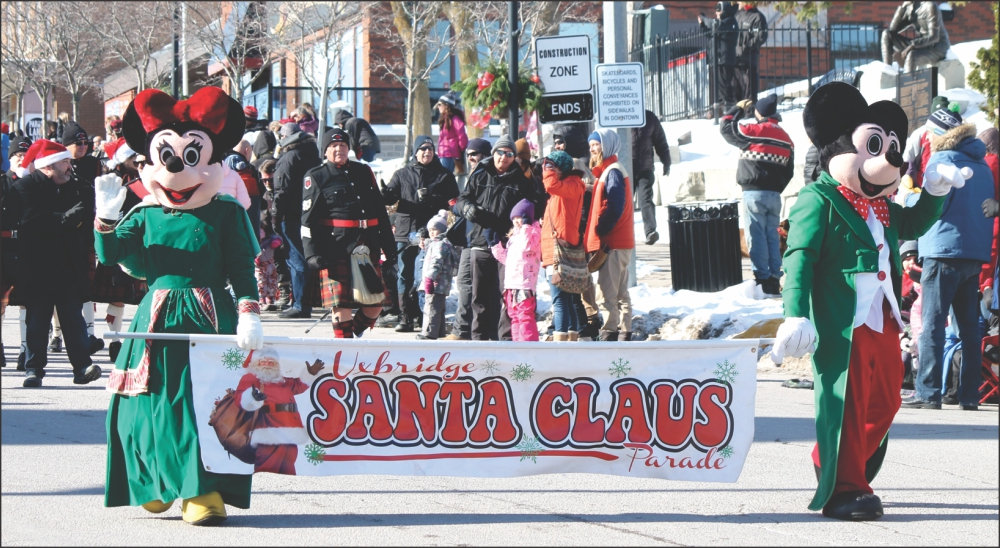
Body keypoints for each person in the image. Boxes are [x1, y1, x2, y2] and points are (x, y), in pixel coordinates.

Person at [772, 81, 966, 521]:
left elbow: (914, 220)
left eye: (892, 147)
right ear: (838, 147)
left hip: (881, 316)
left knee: (887, 399)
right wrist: (794, 314)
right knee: (846, 399)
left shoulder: (882, 207)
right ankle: (846, 487)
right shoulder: (817, 199)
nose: (889, 158)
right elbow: (799, 257)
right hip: (842, 321)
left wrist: (934, 190)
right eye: (875, 145)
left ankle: (837, 458)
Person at [95, 87, 262, 525]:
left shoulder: (226, 212)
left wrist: (249, 310)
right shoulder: (146, 214)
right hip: (157, 315)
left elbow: (243, 268)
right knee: (147, 403)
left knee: (207, 403)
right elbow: (110, 256)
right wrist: (105, 222)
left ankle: (202, 489)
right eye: (166, 156)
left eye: (191, 156)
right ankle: (154, 479)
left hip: (211, 315)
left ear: (211, 160)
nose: (177, 168)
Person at [904, 106, 993, 411]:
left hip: (942, 252)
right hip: (973, 254)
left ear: (939, 133)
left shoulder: (941, 161)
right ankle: (969, 395)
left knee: (933, 324)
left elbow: (931, 207)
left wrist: (909, 199)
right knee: (969, 329)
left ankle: (928, 392)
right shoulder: (982, 165)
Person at [9, 140, 102, 388]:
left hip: (70, 263)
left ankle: (82, 367)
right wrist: (65, 219)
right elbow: (30, 222)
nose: (70, 166)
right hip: (36, 265)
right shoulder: (24, 188)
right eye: (64, 162)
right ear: (48, 166)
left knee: (73, 318)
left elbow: (87, 216)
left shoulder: (78, 186)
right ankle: (34, 370)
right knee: (38, 320)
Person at [300, 127, 396, 338]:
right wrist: (311, 255)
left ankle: (349, 336)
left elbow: (380, 212)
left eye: (342, 145)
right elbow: (308, 221)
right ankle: (344, 350)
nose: (338, 149)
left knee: (376, 305)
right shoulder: (316, 176)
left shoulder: (363, 172)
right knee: (341, 307)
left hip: (366, 246)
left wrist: (390, 249)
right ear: (325, 151)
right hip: (335, 249)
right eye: (333, 146)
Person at [456, 135, 534, 340]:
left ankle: (505, 340)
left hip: (507, 245)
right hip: (480, 242)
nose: (504, 158)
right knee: (479, 297)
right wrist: (467, 208)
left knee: (506, 294)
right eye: (501, 153)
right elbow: (462, 200)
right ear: (494, 154)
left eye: (509, 154)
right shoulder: (480, 173)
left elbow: (532, 205)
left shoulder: (520, 180)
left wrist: (521, 224)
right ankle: (479, 339)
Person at [381, 135, 460, 333]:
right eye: (423, 149)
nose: (427, 152)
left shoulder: (443, 175)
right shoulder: (402, 174)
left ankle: (424, 316)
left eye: (430, 149)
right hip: (405, 231)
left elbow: (454, 202)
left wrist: (433, 199)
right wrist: (384, 193)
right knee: (404, 275)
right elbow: (390, 199)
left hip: (431, 231)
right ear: (415, 152)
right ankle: (405, 316)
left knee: (426, 275)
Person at [720, 94, 794, 297]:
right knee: (772, 235)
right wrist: (777, 187)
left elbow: (726, 127)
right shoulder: (786, 139)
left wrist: (737, 109)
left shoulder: (752, 131)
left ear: (759, 112)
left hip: (753, 193)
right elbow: (789, 171)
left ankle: (762, 279)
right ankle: (774, 276)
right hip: (774, 195)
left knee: (756, 236)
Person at [89, 140, 148, 363]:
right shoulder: (114, 180)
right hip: (116, 240)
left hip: (139, 244)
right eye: (132, 156)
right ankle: (115, 341)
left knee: (142, 298)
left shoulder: (145, 178)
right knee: (118, 299)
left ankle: (141, 340)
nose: (136, 159)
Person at [235, 347, 322, 475]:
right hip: (268, 427)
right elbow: (240, 399)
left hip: (290, 429)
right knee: (267, 467)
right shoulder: (251, 378)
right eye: (263, 362)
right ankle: (264, 492)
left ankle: (288, 492)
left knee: (288, 464)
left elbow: (298, 386)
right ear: (256, 363)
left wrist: (309, 373)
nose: (268, 365)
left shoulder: (281, 380)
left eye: (272, 362)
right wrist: (252, 397)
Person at [585, 128, 636, 342]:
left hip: (612, 241)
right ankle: (625, 331)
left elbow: (615, 204)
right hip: (620, 240)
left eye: (597, 144)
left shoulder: (612, 171)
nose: (594, 149)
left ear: (608, 146)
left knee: (607, 292)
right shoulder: (612, 170)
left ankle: (609, 334)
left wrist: (601, 228)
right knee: (621, 291)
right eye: (591, 146)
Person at [443, 137, 493, 340]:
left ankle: (474, 329)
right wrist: (460, 206)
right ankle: (463, 329)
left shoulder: (485, 174)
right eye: (469, 154)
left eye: (475, 154)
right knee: (465, 282)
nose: (471, 158)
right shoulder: (471, 175)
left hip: (483, 238)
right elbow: (463, 202)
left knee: (478, 286)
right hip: (469, 237)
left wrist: (464, 206)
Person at [272, 122, 321, 319]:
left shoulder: (288, 157)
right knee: (305, 257)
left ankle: (300, 304)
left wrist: (276, 214)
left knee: (296, 259)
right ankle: (305, 302)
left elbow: (282, 189)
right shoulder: (312, 155)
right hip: (310, 213)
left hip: (291, 214)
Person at [540, 150, 586, 341]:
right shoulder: (568, 187)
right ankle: (571, 341)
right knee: (567, 301)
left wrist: (547, 169)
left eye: (551, 166)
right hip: (559, 249)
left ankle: (560, 347)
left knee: (559, 302)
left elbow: (550, 184)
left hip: (559, 252)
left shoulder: (569, 186)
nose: (546, 170)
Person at [492, 199, 542, 342]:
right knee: (513, 315)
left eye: (520, 217)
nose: (516, 221)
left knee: (524, 315)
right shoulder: (514, 237)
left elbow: (527, 247)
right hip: (511, 284)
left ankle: (529, 345)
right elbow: (508, 259)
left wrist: (526, 226)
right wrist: (495, 247)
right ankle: (517, 344)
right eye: (514, 218)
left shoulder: (533, 233)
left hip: (524, 283)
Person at [631, 109, 672, 245]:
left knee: (645, 199)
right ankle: (622, 233)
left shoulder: (649, 117)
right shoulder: (620, 115)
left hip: (645, 168)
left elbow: (660, 141)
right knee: (624, 202)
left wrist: (666, 161)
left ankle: (650, 232)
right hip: (625, 169)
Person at [418, 210, 459, 340]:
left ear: (442, 230)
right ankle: (439, 330)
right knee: (439, 308)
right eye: (430, 229)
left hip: (435, 282)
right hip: (442, 283)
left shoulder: (439, 244)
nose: (431, 232)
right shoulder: (441, 243)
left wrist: (430, 278)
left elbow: (436, 262)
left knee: (431, 307)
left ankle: (429, 332)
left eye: (435, 229)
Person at [881, 0, 951, 73]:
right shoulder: (910, 7)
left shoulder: (930, 6)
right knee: (886, 34)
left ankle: (908, 82)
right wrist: (902, 8)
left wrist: (913, 45)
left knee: (912, 56)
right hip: (921, 45)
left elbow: (934, 37)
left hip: (937, 47)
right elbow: (893, 29)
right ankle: (888, 71)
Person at [698, 2, 740, 116]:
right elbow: (710, 35)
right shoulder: (721, 24)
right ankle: (718, 109)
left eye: (718, 10)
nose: (716, 13)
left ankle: (728, 109)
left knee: (724, 86)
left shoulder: (729, 22)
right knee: (717, 88)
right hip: (716, 59)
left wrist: (705, 19)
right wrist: (702, 24)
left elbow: (715, 25)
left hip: (725, 59)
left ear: (724, 10)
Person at [734, 1, 768, 102]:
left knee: (749, 87)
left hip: (749, 58)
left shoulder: (757, 17)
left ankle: (749, 110)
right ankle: (739, 110)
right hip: (736, 58)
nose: (738, 2)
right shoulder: (737, 15)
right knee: (737, 87)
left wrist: (746, 46)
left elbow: (760, 37)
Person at [435, 93, 468, 176]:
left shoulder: (454, 118)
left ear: (446, 105)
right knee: (443, 178)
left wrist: (461, 149)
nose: (438, 107)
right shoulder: (444, 119)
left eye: (439, 104)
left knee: (444, 178)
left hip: (450, 154)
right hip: (443, 153)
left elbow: (462, 135)